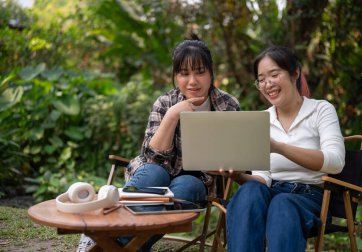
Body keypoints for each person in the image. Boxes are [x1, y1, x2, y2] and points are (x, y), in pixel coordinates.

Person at [76, 34, 240, 252]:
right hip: (155, 170)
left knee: (187, 185)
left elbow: (237, 156)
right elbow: (152, 156)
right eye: (184, 73)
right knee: (155, 175)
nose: (193, 81)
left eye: (200, 72)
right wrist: (173, 115)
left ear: (211, 73)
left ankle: (103, 243)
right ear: (175, 76)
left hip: (198, 180)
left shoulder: (227, 105)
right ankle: (125, 245)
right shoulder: (165, 103)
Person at [219, 45, 345, 252]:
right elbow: (262, 179)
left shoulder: (321, 110)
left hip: (310, 197)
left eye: (274, 75)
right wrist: (237, 175)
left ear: (295, 73)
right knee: (249, 191)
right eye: (261, 79)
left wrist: (278, 147)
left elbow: (335, 162)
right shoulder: (262, 119)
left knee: (282, 204)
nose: (267, 84)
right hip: (269, 191)